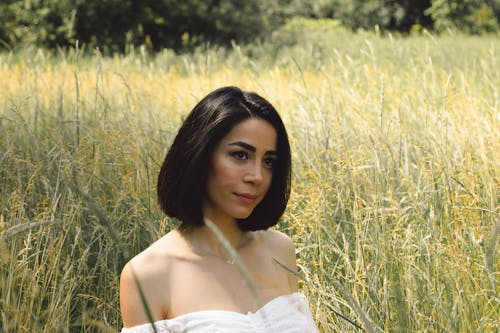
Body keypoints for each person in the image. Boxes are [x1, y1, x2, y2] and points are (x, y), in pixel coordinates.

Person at [119, 86, 318, 332]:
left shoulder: (280, 250)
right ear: (199, 155)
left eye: (268, 161)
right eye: (240, 155)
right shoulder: (148, 275)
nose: (257, 176)